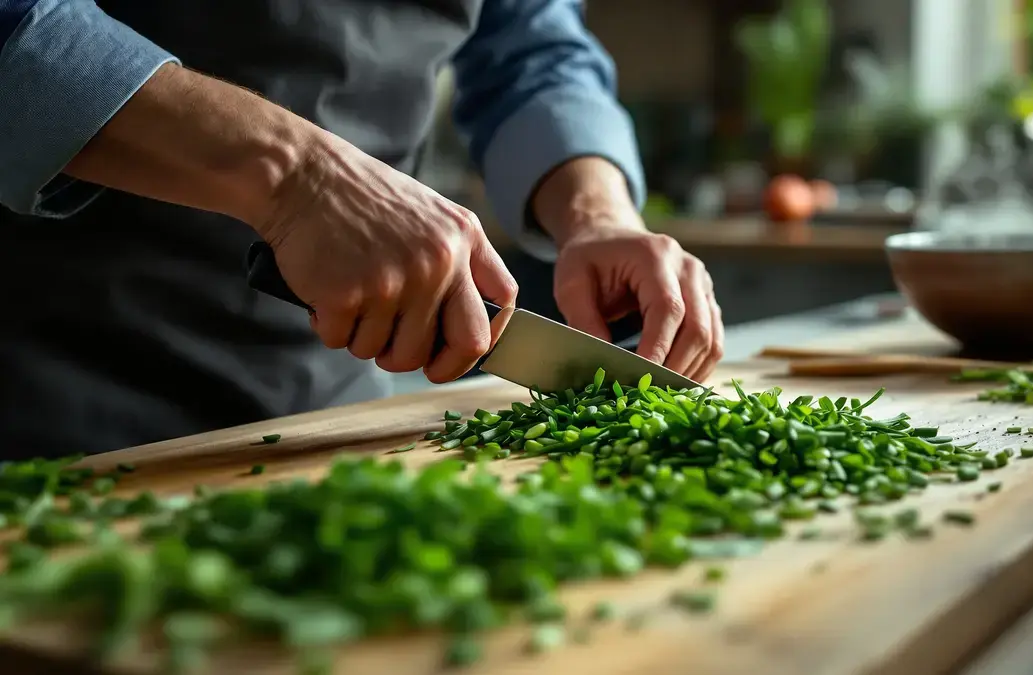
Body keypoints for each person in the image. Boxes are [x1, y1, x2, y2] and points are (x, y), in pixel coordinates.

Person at [0, 0, 724, 459]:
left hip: (329, 416)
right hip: (50, 398)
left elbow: (533, 47)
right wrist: (295, 175)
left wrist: (597, 215)